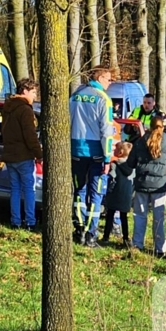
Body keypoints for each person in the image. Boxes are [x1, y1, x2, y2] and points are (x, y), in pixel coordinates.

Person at [70, 65, 116, 247]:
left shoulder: (75, 95)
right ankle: (90, 235)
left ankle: (79, 229)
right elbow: (107, 131)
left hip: (75, 150)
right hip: (96, 152)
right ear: (100, 78)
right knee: (96, 194)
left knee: (79, 191)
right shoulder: (103, 99)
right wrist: (107, 158)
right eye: (109, 79)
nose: (110, 83)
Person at [117, 116, 166, 257]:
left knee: (139, 216)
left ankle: (137, 244)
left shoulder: (139, 142)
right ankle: (160, 248)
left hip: (142, 184)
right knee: (158, 218)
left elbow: (130, 163)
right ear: (162, 127)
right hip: (159, 186)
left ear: (149, 126)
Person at [1, 77, 43, 231]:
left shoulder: (8, 107)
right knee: (29, 189)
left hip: (10, 155)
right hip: (24, 155)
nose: (34, 96)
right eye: (33, 92)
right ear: (24, 91)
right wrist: (39, 154)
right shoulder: (25, 110)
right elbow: (30, 136)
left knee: (15, 189)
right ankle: (30, 222)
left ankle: (15, 221)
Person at [101, 141, 133, 246]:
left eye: (115, 149)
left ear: (120, 152)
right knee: (124, 217)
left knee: (110, 215)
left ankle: (106, 237)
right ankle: (125, 237)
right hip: (126, 194)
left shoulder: (114, 164)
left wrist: (108, 191)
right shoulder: (131, 166)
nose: (113, 150)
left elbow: (112, 177)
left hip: (115, 193)